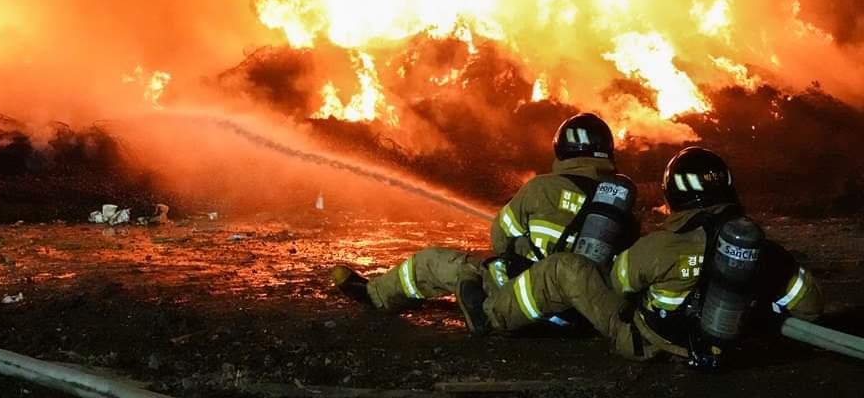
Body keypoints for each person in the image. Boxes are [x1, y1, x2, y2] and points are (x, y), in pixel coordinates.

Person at [458, 147, 824, 368]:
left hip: (649, 344)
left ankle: (490, 317)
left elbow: (617, 284)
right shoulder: (765, 252)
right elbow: (810, 307)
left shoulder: (661, 246)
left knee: (565, 270)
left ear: (674, 195)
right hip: (736, 345)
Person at [332, 113, 633, 333]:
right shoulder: (619, 203)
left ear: (561, 150)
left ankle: (377, 295)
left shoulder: (540, 188)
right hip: (586, 314)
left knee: (434, 263)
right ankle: (474, 299)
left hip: (524, 304)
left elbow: (500, 238)